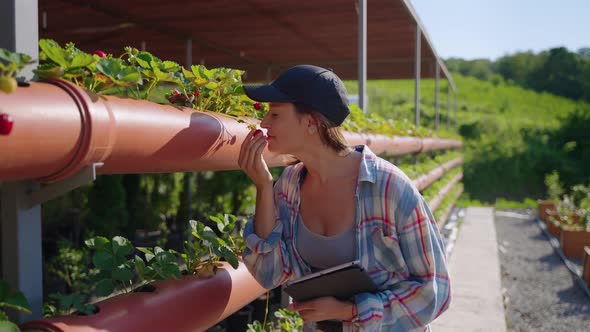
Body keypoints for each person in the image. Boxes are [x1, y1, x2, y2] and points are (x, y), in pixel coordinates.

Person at [238, 65, 450, 332]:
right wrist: (263, 187)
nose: (264, 122)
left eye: (275, 113)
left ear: (311, 122)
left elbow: (435, 291)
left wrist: (351, 311)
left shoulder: (390, 188)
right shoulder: (289, 187)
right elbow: (268, 273)